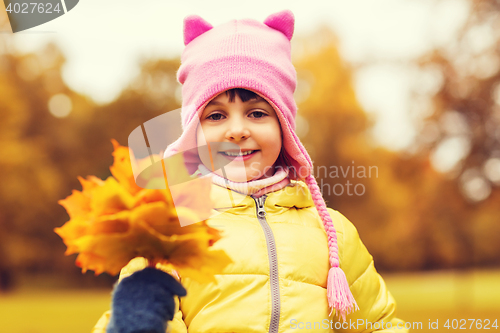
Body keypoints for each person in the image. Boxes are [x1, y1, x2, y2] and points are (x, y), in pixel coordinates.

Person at [93, 10, 408, 333]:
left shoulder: (332, 234)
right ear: (193, 134)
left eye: (257, 113)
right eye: (216, 116)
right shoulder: (168, 227)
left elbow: (379, 324)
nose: (237, 130)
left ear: (284, 127)